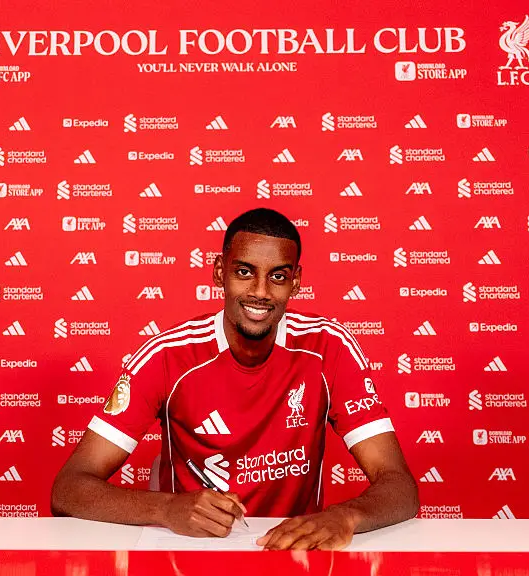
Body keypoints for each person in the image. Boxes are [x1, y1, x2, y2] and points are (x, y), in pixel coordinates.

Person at [51, 207, 419, 550]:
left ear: (296, 282)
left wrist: (345, 516)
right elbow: (69, 489)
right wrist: (166, 509)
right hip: (192, 553)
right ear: (218, 272)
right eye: (244, 272)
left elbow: (399, 486)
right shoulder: (167, 356)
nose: (260, 292)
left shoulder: (329, 348)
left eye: (278, 276)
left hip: (291, 554)